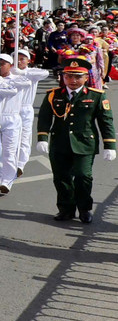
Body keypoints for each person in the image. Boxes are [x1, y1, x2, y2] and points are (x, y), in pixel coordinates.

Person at [36, 53, 116, 224]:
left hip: (85, 143)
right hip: (60, 143)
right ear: (63, 77)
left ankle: (84, 208)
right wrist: (42, 137)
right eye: (68, 76)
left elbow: (105, 121)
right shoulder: (53, 94)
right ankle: (66, 209)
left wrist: (110, 145)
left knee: (83, 176)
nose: (72, 80)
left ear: (86, 78)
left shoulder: (96, 95)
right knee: (61, 178)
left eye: (77, 77)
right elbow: (44, 117)